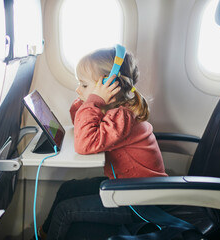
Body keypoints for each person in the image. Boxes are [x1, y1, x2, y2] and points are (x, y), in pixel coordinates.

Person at [36, 46, 167, 240]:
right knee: (67, 189)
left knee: (65, 211)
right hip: (125, 187)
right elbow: (78, 121)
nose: (77, 89)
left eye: (85, 85)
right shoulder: (112, 109)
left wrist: (93, 101)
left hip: (139, 200)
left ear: (110, 85)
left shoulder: (122, 117)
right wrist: (91, 100)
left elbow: (85, 144)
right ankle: (43, 236)